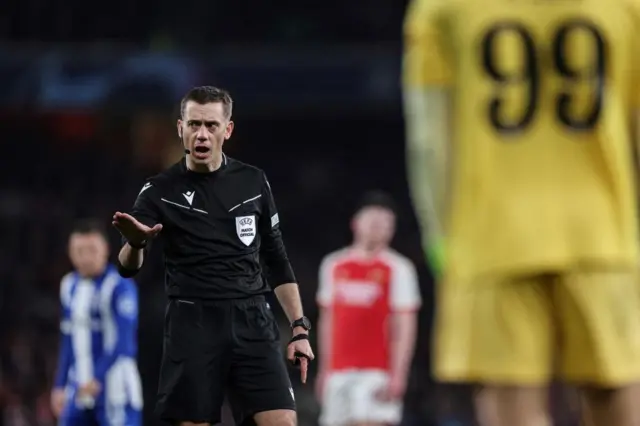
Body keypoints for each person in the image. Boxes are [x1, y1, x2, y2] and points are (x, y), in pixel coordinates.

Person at [402, 1, 640, 426]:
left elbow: (429, 142)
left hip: (493, 237)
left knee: (512, 401)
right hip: (603, 235)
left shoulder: (443, 9)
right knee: (615, 389)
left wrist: (441, 243)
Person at [112, 86, 314, 426]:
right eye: (193, 125)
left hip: (252, 321)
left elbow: (276, 260)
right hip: (193, 324)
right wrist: (135, 244)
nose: (201, 134)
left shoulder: (253, 181)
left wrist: (299, 329)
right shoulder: (159, 190)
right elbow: (126, 267)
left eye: (211, 125)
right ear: (180, 128)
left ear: (227, 130)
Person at [316, 192, 421, 426]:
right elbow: (328, 320)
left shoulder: (399, 269)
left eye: (386, 224)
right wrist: (324, 371)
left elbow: (405, 325)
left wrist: (399, 375)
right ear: (356, 223)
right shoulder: (333, 265)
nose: (379, 228)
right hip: (338, 372)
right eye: (373, 221)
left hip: (377, 372)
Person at [51, 219, 143, 426]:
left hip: (115, 389)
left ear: (106, 249)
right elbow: (68, 339)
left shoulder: (120, 286)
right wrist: (59, 385)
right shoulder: (68, 286)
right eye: (79, 250)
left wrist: (97, 377)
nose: (85, 257)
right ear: (70, 252)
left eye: (92, 250)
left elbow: (125, 341)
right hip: (80, 388)